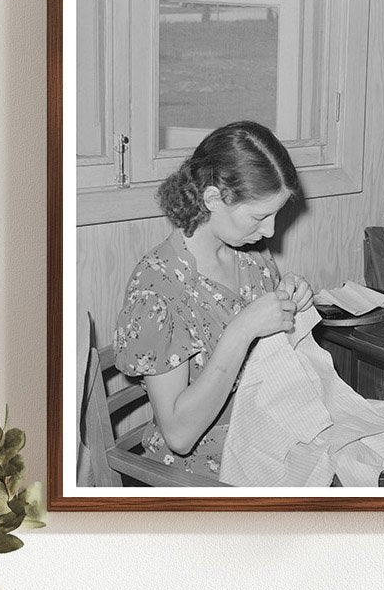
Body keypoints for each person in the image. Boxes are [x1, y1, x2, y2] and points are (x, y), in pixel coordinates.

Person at [114, 121, 314, 478]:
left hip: (264, 442)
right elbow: (178, 434)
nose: (270, 231)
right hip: (198, 475)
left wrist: (292, 304)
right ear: (212, 200)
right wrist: (241, 331)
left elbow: (276, 361)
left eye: (276, 214)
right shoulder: (157, 289)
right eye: (259, 216)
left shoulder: (251, 255)